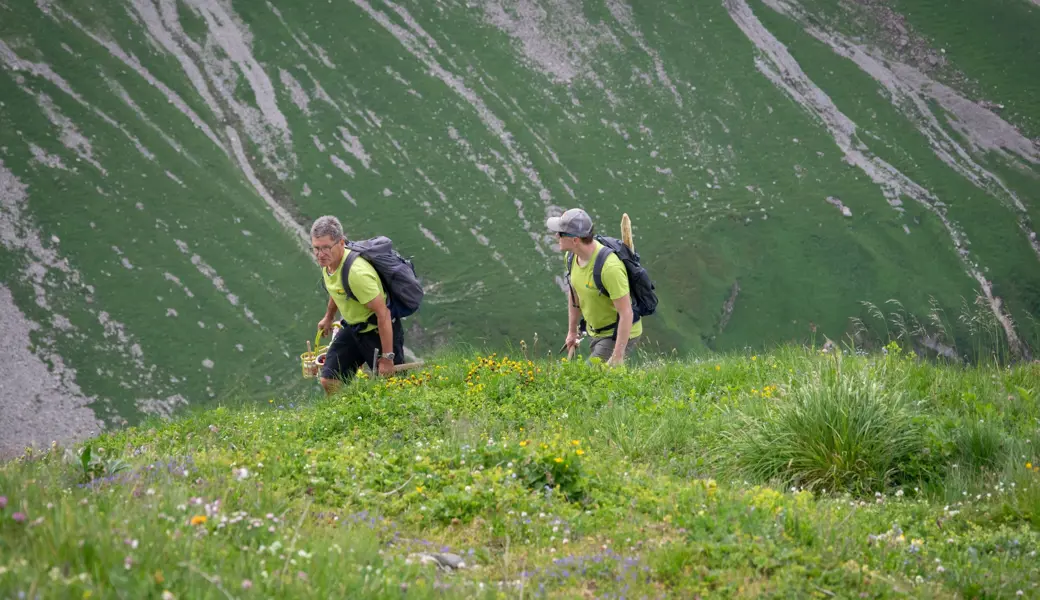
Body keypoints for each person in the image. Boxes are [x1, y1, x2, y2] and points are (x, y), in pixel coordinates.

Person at [311, 215, 404, 394]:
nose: (320, 254)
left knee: (394, 389)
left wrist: (387, 358)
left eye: (325, 248)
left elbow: (383, 314)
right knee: (329, 379)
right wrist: (328, 317)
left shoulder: (357, 274)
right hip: (353, 328)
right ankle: (346, 415)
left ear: (341, 243)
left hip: (376, 331)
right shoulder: (328, 263)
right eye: (316, 248)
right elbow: (337, 290)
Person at [548, 208, 640, 366]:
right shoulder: (571, 257)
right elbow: (575, 295)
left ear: (575, 240)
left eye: (561, 233)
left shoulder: (609, 268)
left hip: (616, 333)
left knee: (586, 379)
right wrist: (572, 332)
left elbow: (626, 313)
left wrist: (617, 356)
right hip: (595, 331)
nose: (557, 236)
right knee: (598, 382)